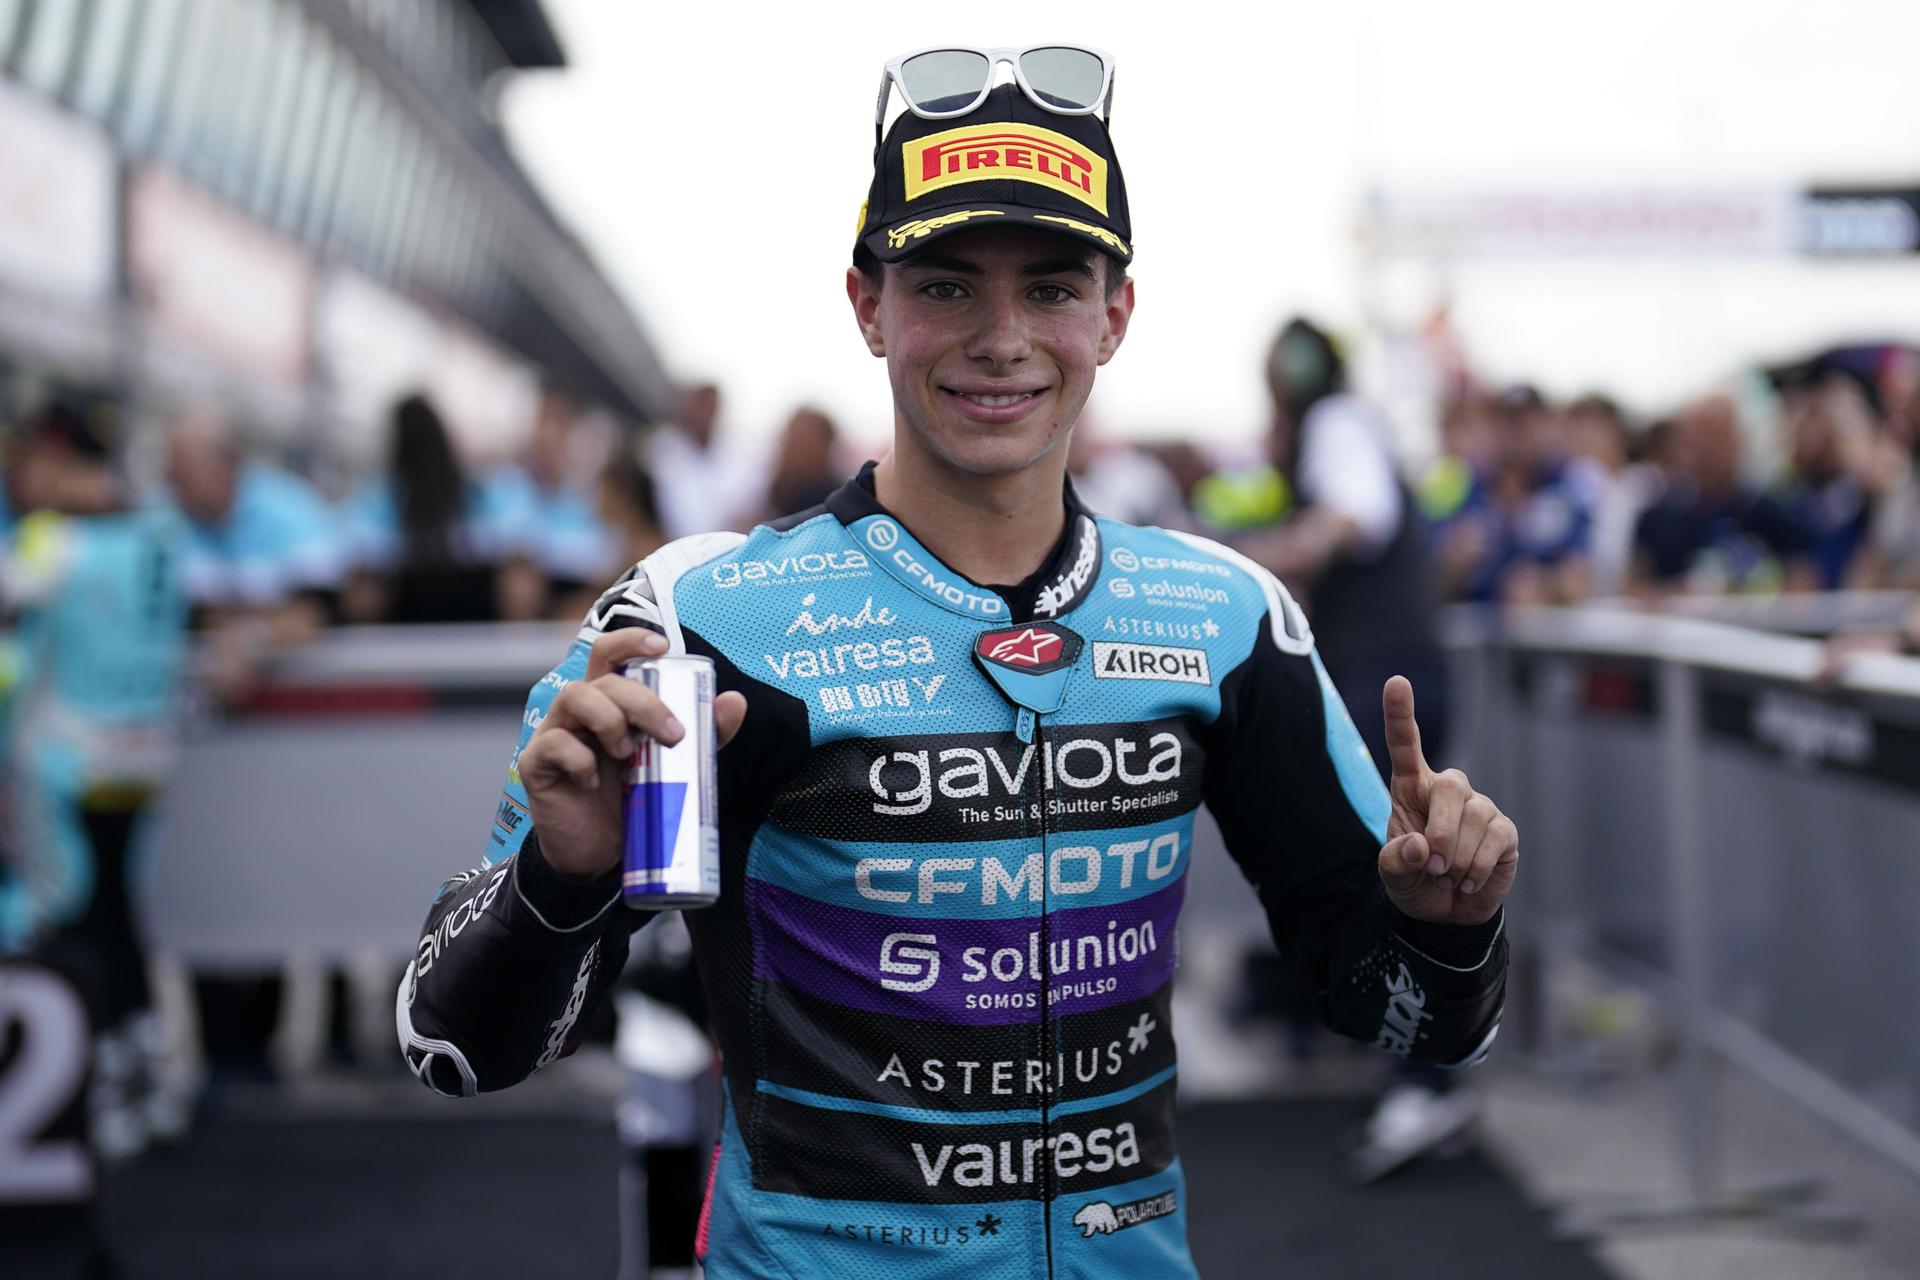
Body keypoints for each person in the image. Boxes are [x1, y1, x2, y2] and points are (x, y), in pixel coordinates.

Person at [399, 52, 1517, 1278]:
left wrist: (1448, 924)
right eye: (945, 285)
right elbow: (454, 1046)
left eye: (1050, 287)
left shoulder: (1223, 614)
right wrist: (561, 880)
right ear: (868, 305)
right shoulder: (701, 620)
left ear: (1115, 315)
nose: (1001, 340)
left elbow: (1411, 1014)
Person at [0, 394, 192, 1159]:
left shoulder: (49, 540)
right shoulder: (159, 533)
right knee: (122, 910)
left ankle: (99, 1087)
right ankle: (151, 1080)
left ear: (53, 453)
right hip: (143, 757)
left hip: (63, 762)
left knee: (73, 915)